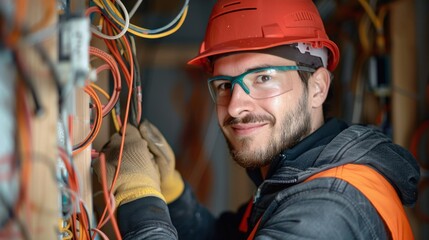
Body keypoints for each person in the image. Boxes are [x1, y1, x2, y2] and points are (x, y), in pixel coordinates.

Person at [93, 0, 420, 239]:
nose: (235, 106)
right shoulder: (296, 177)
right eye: (224, 85)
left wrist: (139, 198)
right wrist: (171, 192)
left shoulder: (328, 209)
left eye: (263, 78)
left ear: (318, 88)